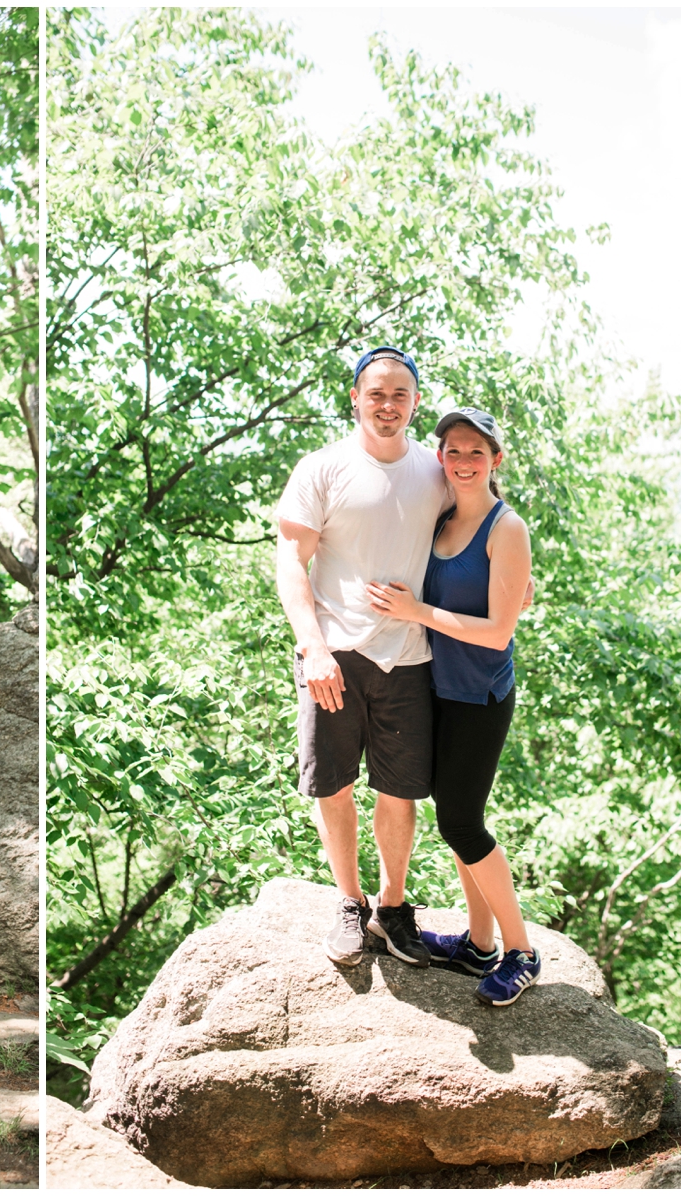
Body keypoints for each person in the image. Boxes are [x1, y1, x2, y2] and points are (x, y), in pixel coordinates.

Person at [276, 346, 447, 969]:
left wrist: (518, 576)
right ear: (355, 397)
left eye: (400, 395)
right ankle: (350, 902)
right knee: (334, 785)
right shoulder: (322, 469)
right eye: (376, 393)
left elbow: (484, 523)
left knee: (400, 792)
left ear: (416, 403)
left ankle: (393, 908)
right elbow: (290, 564)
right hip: (335, 657)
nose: (387, 405)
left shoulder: (435, 472)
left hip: (409, 658)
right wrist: (312, 646)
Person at [367, 408, 542, 1006]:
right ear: (440, 458)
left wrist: (414, 612)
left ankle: (522, 952)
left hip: (480, 695)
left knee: (460, 823)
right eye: (453, 451)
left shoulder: (506, 527)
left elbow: (497, 631)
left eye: (477, 452)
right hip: (436, 687)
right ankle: (480, 946)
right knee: (455, 814)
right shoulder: (441, 517)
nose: (464, 462)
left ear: (496, 460)